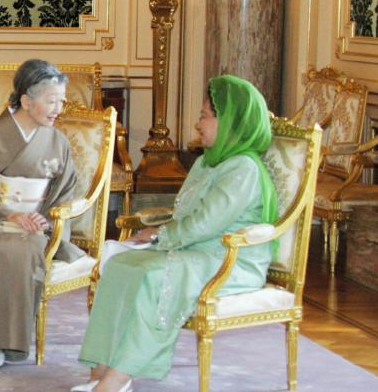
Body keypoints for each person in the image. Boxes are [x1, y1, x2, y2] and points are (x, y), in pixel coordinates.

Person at [75, 75, 276, 392]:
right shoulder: (209, 161)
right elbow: (185, 212)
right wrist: (154, 233)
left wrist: (158, 236)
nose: (198, 125)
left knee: (154, 276)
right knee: (120, 265)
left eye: (205, 116)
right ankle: (100, 370)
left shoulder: (243, 168)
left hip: (229, 259)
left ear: (231, 122)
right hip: (193, 250)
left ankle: (118, 377)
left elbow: (207, 223)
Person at [0, 59, 84, 370]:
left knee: (21, 251)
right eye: (51, 101)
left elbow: (66, 191)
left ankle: (4, 345)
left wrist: (43, 219)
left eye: (61, 101)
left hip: (35, 227)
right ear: (26, 101)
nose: (58, 109)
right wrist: (8, 215)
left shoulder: (57, 141)